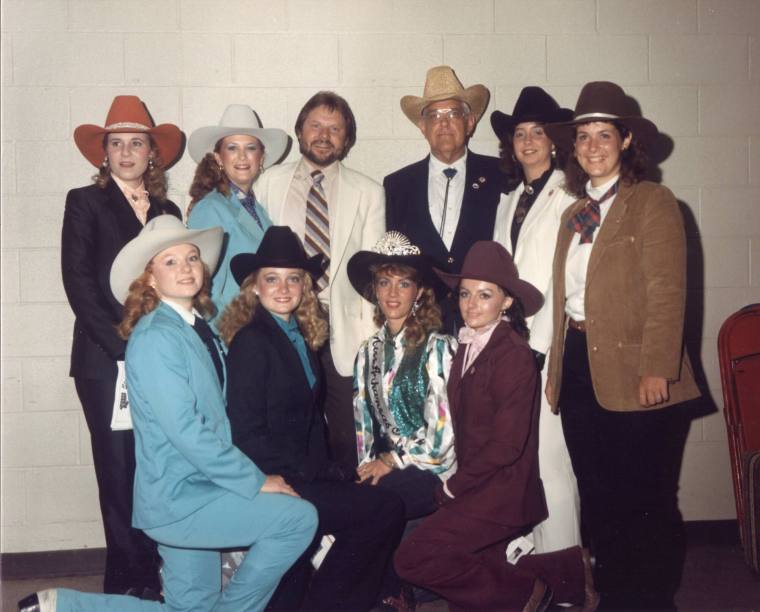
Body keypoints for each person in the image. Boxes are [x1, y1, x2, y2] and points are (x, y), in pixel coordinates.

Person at [20, 216, 317, 612]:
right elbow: (186, 430)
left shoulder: (200, 327)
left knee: (191, 609)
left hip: (197, 489)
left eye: (192, 258)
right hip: (182, 497)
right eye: (170, 261)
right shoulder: (157, 336)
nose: (186, 268)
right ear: (151, 279)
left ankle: (59, 606)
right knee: (298, 520)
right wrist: (255, 480)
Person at [543, 81, 701, 609]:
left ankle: (652, 602)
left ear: (627, 141)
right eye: (583, 135)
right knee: (600, 497)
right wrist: (555, 376)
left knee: (647, 501)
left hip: (640, 373)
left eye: (603, 134)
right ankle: (614, 597)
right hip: (581, 372)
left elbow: (667, 290)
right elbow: (567, 302)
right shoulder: (572, 215)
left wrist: (656, 367)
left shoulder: (652, 202)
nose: (591, 145)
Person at [394, 241, 598, 611]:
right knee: (475, 573)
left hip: (502, 493)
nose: (471, 304)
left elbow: (507, 446)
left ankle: (533, 591)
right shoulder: (469, 346)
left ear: (506, 302)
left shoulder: (513, 354)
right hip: (479, 486)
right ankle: (566, 569)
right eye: (465, 294)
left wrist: (455, 485)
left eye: (484, 295)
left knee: (412, 558)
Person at [220, 226, 405, 611]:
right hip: (279, 480)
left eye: (294, 279)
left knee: (371, 508)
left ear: (305, 286)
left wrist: (332, 469)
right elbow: (247, 433)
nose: (284, 288)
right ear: (254, 287)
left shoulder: (298, 333)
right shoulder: (252, 341)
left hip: (307, 473)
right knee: (382, 511)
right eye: (272, 279)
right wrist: (304, 475)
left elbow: (306, 420)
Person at [61, 95, 183, 597]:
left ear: (152, 153)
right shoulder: (84, 202)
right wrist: (125, 345)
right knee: (117, 468)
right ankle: (125, 581)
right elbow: (79, 284)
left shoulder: (169, 210)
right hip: (105, 359)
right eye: (117, 144)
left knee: (157, 462)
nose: (127, 152)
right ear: (103, 154)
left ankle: (156, 571)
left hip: (158, 359)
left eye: (137, 143)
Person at [254, 91, 385, 470]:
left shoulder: (369, 192)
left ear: (347, 139)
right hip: (285, 322)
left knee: (348, 435)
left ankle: (349, 517)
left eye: (335, 128)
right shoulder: (267, 184)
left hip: (345, 331)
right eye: (316, 125)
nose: (324, 134)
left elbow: (375, 272)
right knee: (289, 427)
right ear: (300, 130)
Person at [490, 86, 582, 554]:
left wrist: (547, 348)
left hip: (549, 345)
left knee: (551, 459)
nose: (527, 141)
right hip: (511, 345)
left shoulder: (570, 196)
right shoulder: (508, 201)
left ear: (554, 141)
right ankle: (538, 557)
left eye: (538, 132)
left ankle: (566, 566)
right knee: (522, 458)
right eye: (519, 133)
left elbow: (567, 279)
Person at [347, 231, 457, 609]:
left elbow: (443, 444)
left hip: (433, 468)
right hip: (389, 469)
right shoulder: (367, 352)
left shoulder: (438, 348)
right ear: (374, 290)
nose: (393, 293)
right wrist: (366, 468)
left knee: (374, 509)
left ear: (420, 291)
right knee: (353, 500)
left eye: (404, 283)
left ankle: (392, 593)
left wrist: (391, 461)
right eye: (384, 282)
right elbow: (364, 428)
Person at [384, 65, 503, 332]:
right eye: (434, 115)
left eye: (453, 114)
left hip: (485, 323)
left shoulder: (500, 176)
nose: (444, 123)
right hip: (421, 327)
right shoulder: (396, 185)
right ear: (423, 127)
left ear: (470, 122)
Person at [186, 104, 288, 323]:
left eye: (251, 148)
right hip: (231, 332)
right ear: (218, 158)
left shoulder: (258, 210)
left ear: (261, 158)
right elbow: (203, 293)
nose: (242, 156)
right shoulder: (210, 208)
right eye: (232, 148)